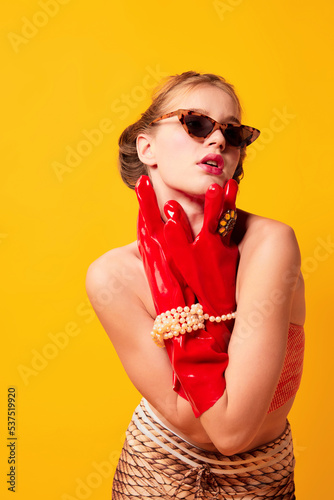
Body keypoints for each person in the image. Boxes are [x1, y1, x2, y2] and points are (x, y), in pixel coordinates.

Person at [85, 71, 305, 499]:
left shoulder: (269, 244)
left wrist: (213, 283)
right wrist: (182, 284)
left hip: (261, 483)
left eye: (234, 132)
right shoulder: (112, 275)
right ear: (146, 147)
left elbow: (232, 432)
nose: (219, 140)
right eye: (196, 123)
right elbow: (196, 425)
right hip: (154, 473)